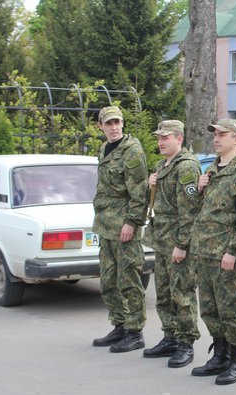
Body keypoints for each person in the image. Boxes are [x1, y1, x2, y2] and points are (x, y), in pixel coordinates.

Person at [189, 119, 236, 385]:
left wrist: (235, 251)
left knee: (230, 309)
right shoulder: (211, 169)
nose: (216, 139)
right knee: (209, 309)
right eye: (215, 135)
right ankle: (219, 355)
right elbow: (201, 210)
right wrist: (199, 189)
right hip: (205, 251)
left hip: (226, 254)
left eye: (222, 135)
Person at [142, 120, 201, 368]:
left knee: (182, 293)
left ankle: (186, 343)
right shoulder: (163, 165)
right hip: (162, 240)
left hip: (177, 242)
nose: (160, 142)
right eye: (159, 138)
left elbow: (190, 212)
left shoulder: (186, 166)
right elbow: (157, 202)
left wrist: (182, 245)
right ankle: (170, 336)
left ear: (179, 138)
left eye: (165, 138)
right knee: (164, 293)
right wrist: (150, 185)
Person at [92, 105, 149, 353]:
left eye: (117, 122)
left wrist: (132, 222)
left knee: (129, 279)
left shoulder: (132, 150)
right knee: (108, 280)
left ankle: (135, 332)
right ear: (101, 126)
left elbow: (140, 190)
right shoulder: (105, 148)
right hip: (106, 224)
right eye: (109, 123)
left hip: (124, 224)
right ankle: (120, 325)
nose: (114, 127)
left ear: (123, 124)